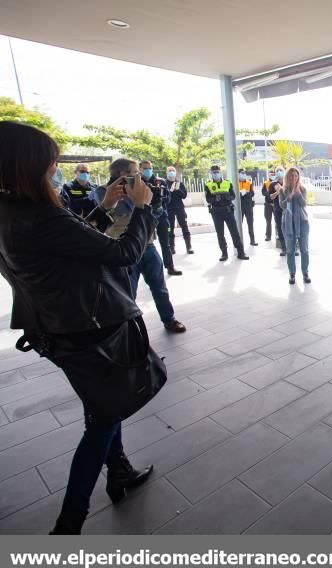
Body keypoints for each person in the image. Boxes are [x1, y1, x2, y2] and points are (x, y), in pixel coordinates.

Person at [0, 122, 157, 534]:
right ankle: (69, 524)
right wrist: (141, 208)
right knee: (103, 416)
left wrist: (103, 208)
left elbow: (72, 242)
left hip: (53, 328)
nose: (56, 169)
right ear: (27, 165)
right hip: (88, 329)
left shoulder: (12, 212)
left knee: (105, 401)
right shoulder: (42, 216)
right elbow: (122, 254)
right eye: (51, 162)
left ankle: (119, 471)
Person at [95, 160, 187, 334]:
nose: (139, 176)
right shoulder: (104, 191)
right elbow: (119, 212)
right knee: (128, 291)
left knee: (159, 285)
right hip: (124, 248)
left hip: (147, 244)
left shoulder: (143, 188)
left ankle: (169, 319)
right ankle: (130, 329)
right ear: (122, 174)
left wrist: (155, 202)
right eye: (135, 172)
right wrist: (138, 199)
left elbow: (155, 213)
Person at [140, 160, 181, 276]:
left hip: (161, 216)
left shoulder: (160, 181)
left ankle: (170, 267)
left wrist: (160, 198)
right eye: (145, 168)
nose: (148, 170)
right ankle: (147, 271)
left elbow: (168, 199)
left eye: (150, 168)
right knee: (146, 244)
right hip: (145, 217)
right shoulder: (138, 183)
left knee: (166, 243)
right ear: (140, 169)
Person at [205, 164, 248, 261]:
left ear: (220, 172)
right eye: (214, 172)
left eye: (217, 172)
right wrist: (215, 199)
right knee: (220, 233)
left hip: (228, 210)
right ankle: (224, 253)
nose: (216, 174)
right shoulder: (208, 184)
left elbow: (233, 196)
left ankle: (241, 252)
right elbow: (208, 199)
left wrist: (228, 197)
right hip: (216, 212)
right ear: (211, 174)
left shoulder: (228, 183)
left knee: (234, 232)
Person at [279, 167, 310, 284]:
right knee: (290, 250)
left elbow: (304, 204)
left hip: (302, 222)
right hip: (287, 223)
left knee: (304, 250)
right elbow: (281, 205)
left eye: (296, 175)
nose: (294, 178)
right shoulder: (283, 190)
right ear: (287, 177)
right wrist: (289, 197)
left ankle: (305, 273)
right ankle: (292, 274)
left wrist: (298, 194)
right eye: (291, 175)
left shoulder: (302, 189)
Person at [165, 166, 193, 255]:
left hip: (180, 208)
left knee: (184, 227)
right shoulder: (164, 183)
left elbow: (184, 195)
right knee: (170, 229)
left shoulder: (179, 183)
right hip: (169, 209)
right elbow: (164, 196)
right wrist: (170, 190)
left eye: (173, 171)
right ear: (166, 173)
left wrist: (177, 190)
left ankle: (189, 247)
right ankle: (172, 248)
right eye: (170, 171)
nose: (171, 172)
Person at [269, 169, 289, 256]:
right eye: (278, 171)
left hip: (288, 209)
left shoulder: (288, 183)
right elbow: (270, 197)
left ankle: (292, 248)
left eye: (281, 170)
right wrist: (278, 192)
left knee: (290, 228)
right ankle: (284, 248)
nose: (279, 172)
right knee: (280, 229)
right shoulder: (273, 184)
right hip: (278, 209)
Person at [238, 168, 258, 247]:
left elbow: (252, 193)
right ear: (238, 174)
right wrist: (240, 194)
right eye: (241, 173)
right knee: (239, 224)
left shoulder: (249, 183)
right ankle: (239, 241)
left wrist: (246, 193)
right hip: (240, 207)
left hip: (248, 206)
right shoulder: (236, 183)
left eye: (244, 173)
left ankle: (252, 240)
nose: (243, 174)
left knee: (250, 224)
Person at [260, 172, 274, 242]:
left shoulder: (278, 182)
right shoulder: (266, 183)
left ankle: (279, 235)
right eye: (271, 175)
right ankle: (268, 236)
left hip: (276, 204)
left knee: (278, 221)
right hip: (268, 204)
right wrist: (268, 194)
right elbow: (263, 192)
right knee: (268, 221)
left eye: (273, 174)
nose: (272, 176)